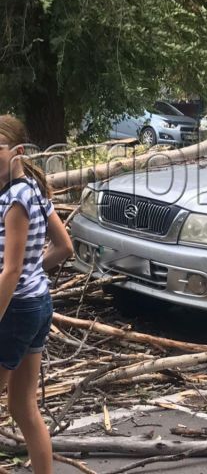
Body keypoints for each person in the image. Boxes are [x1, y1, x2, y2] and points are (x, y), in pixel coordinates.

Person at [0, 115, 73, 474]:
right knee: (22, 406)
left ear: (17, 152)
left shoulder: (14, 199)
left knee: (21, 405)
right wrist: (33, 272)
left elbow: (11, 270)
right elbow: (64, 248)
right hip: (37, 305)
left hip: (12, 311)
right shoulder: (33, 190)